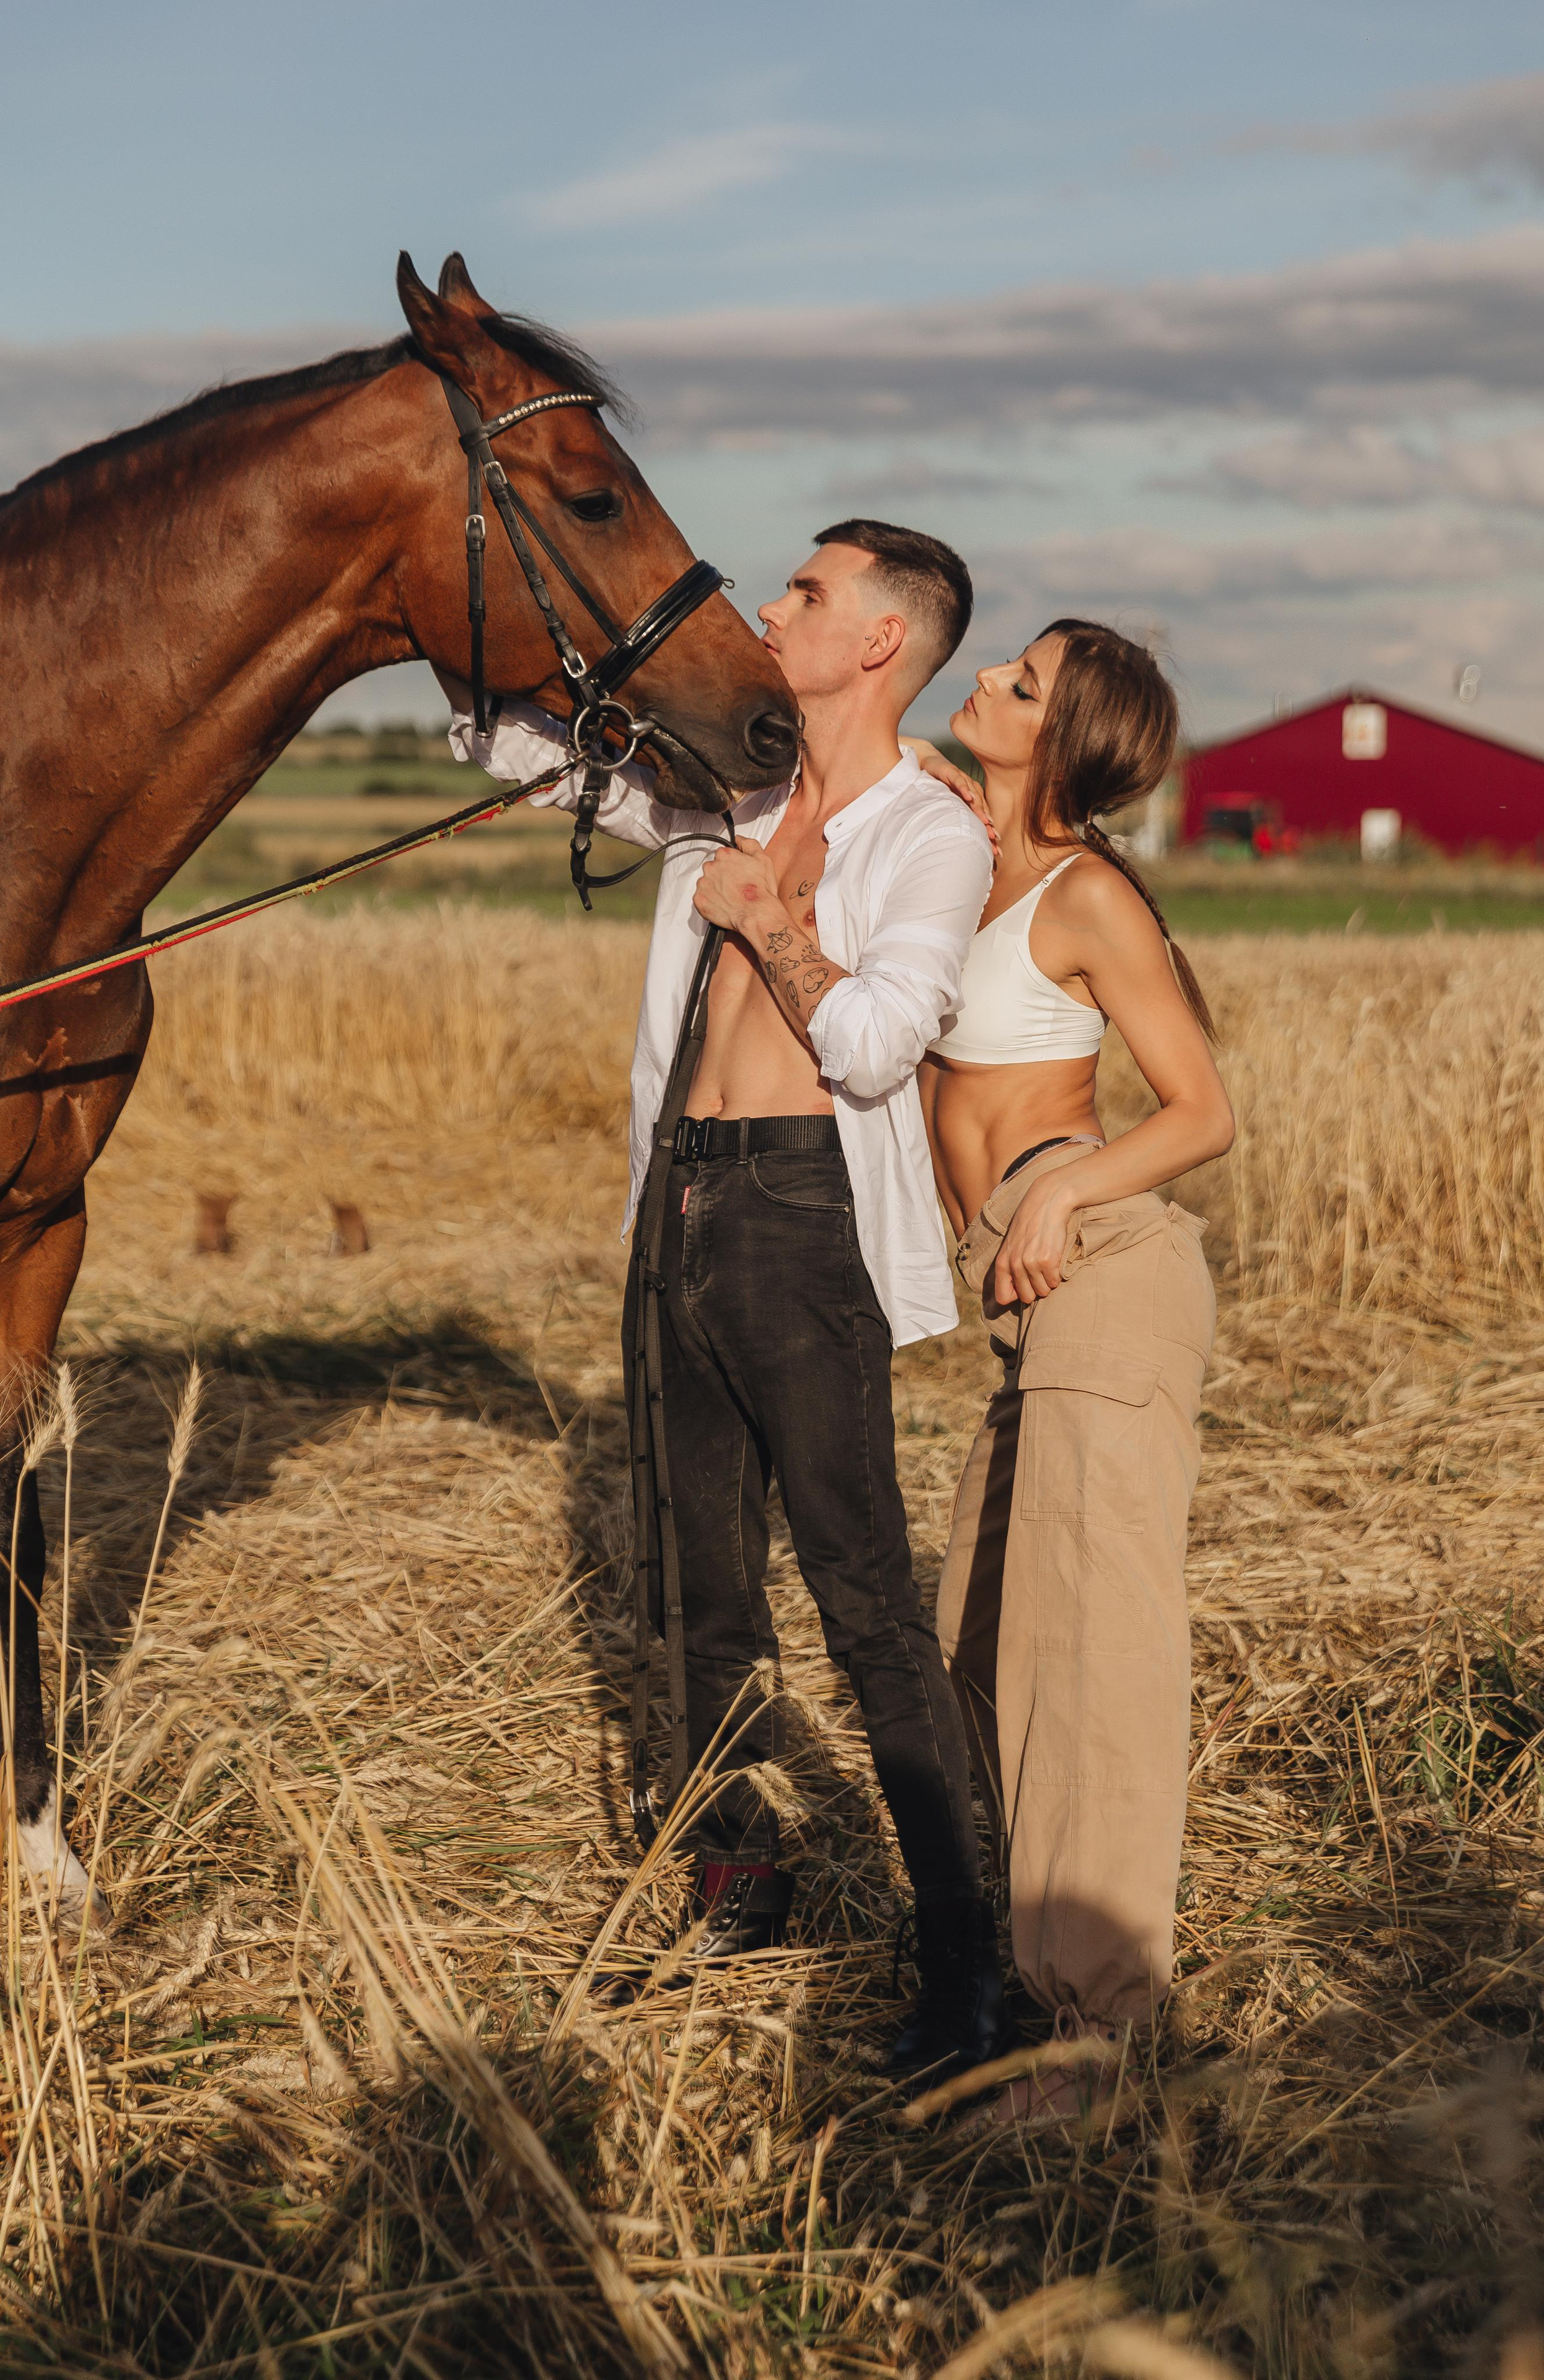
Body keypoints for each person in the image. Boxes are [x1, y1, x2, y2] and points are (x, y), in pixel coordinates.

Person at [442, 521, 1008, 2078]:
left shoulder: (929, 832)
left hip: (799, 1213)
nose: (769, 605)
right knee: (698, 1593)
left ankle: (965, 1961)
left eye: (807, 592)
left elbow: (878, 1043)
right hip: (674, 1202)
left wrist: (761, 916)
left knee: (862, 1596)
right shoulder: (726, 793)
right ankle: (737, 1894)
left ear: (881, 640)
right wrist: (446, 597)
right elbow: (524, 754)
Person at [912, 619, 1235, 2123]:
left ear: (1065, 738)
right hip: (1024, 1306)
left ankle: (1091, 2043)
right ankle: (1024, 1961)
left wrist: (1062, 1194)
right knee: (972, 1634)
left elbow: (1199, 1110)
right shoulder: (956, 849)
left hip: (1100, 1268)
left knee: (1083, 1657)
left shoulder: (1082, 891)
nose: (986, 678)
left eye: (1021, 682)